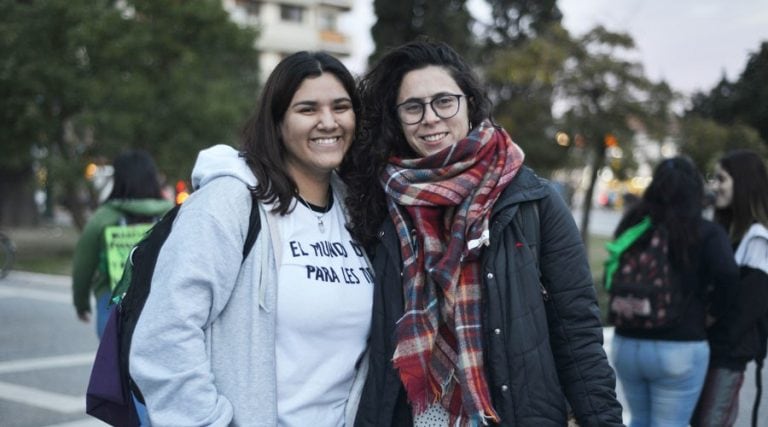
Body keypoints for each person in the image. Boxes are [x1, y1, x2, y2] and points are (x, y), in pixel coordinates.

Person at [342, 40, 623, 426]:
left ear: (468, 102)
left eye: (444, 101)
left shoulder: (532, 201)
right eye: (413, 107)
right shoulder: (379, 202)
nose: (430, 118)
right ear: (397, 118)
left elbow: (577, 331)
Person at [129, 51, 373, 426]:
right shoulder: (230, 201)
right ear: (277, 123)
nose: (328, 122)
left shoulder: (357, 209)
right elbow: (164, 336)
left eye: (341, 107)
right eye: (307, 109)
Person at [608, 156, 739, 427]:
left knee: (639, 420)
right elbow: (728, 274)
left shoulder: (633, 224)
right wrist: (713, 314)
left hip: (627, 343)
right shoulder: (704, 231)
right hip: (679, 345)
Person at [692, 149, 768, 427]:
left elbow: (746, 309)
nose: (715, 185)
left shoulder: (759, 239)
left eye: (722, 179)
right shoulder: (727, 231)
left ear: (744, 183)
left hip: (726, 356)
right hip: (708, 350)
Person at [71, 150, 173, 338]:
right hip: (162, 303)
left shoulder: (103, 218)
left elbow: (83, 265)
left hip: (112, 302)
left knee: (112, 363)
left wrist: (81, 303)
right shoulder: (172, 215)